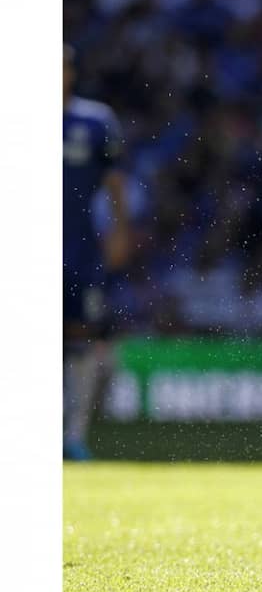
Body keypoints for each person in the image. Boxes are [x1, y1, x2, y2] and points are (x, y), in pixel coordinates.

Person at [63, 43, 132, 460]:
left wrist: (121, 228)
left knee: (81, 337)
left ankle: (74, 435)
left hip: (79, 244)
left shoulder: (96, 120)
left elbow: (115, 181)